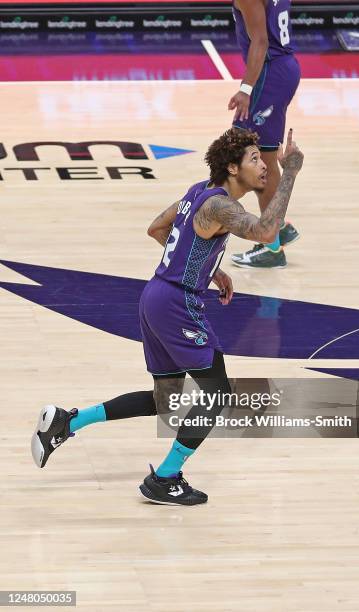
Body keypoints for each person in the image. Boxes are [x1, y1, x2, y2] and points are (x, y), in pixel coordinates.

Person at [31, 128, 303, 506]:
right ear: (231, 167)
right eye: (255, 159)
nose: (263, 165)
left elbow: (157, 228)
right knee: (216, 393)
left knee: (166, 400)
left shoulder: (197, 193)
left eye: (263, 158)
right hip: (177, 306)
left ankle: (68, 422)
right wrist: (288, 173)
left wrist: (208, 268)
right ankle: (166, 476)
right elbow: (266, 230)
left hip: (155, 296)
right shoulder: (220, 206)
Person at [228, 0, 301, 268]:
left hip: (269, 74)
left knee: (256, 159)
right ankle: (279, 226)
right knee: (261, 156)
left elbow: (260, 41)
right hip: (282, 68)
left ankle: (272, 248)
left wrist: (246, 89)